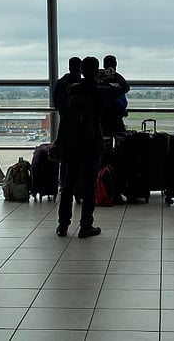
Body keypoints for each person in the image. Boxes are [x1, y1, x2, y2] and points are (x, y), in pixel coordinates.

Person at [56, 56, 129, 238]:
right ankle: (86, 226)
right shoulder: (100, 91)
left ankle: (63, 225)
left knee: (68, 185)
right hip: (92, 143)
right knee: (90, 186)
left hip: (73, 143)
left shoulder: (72, 89)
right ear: (97, 71)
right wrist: (112, 74)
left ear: (81, 70)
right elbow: (124, 88)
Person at [53, 57, 82, 198]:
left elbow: (55, 102)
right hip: (82, 127)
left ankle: (64, 185)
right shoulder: (82, 85)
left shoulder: (60, 83)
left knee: (65, 157)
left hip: (65, 125)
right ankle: (79, 188)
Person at [100, 54, 129, 137]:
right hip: (116, 112)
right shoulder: (118, 78)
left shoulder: (100, 77)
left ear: (104, 65)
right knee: (121, 136)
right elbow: (126, 87)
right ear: (115, 64)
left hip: (103, 113)